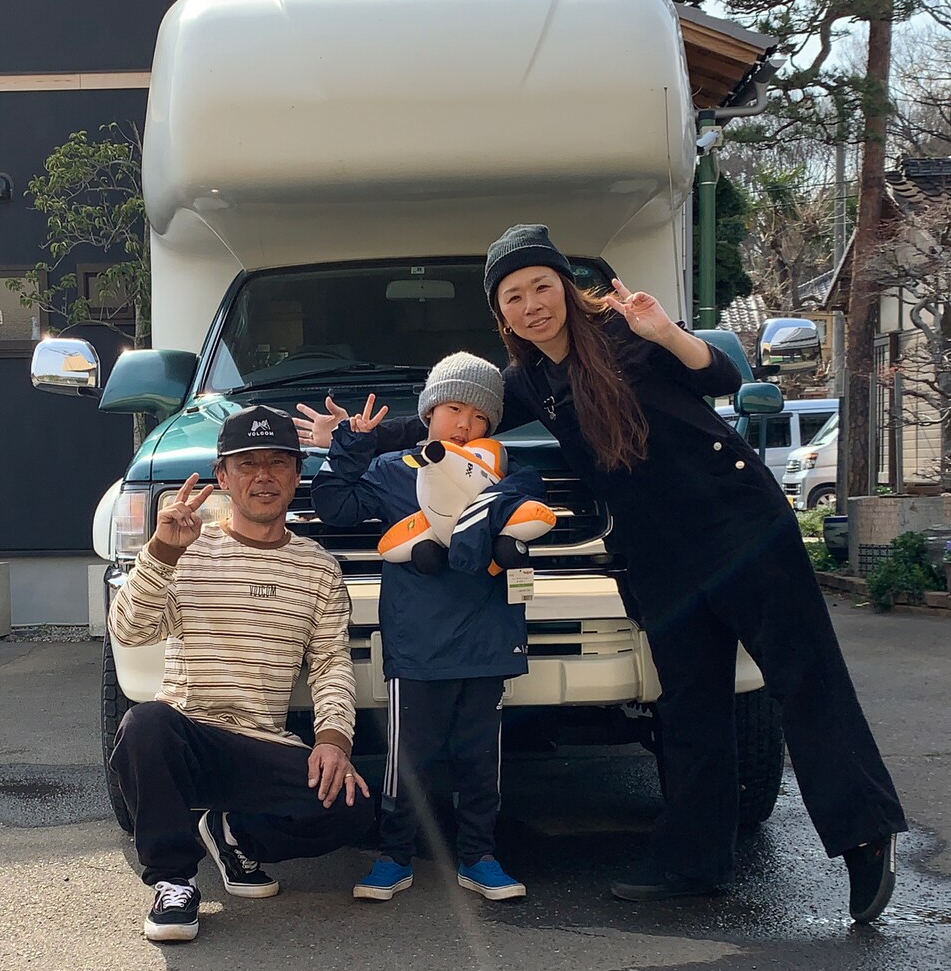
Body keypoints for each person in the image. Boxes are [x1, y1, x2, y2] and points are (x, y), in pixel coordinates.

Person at [296, 225, 907, 924]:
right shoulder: (530, 381)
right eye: (514, 297)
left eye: (541, 287)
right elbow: (445, 428)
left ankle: (865, 833)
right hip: (657, 553)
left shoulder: (628, 333)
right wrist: (357, 436)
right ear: (502, 316)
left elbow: (722, 378)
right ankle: (694, 861)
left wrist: (667, 332)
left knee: (803, 675)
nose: (532, 305)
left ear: (564, 288)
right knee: (690, 704)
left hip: (738, 524)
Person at [109, 404, 373, 943]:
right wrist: (160, 552)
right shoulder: (186, 549)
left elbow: (330, 664)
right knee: (145, 724)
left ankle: (234, 833)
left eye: (277, 462)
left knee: (354, 808)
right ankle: (174, 883)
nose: (263, 476)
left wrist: (332, 741)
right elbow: (130, 631)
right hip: (188, 735)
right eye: (247, 464)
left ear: (296, 475)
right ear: (223, 477)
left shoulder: (318, 566)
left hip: (261, 742)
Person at [311, 353, 547, 903]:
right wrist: (349, 445)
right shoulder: (395, 468)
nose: (465, 424)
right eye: (454, 409)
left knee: (481, 759)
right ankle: (394, 856)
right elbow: (335, 506)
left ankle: (479, 857)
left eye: (480, 417)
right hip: (417, 643)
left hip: (487, 639)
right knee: (408, 761)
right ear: (429, 411)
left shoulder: (505, 474)